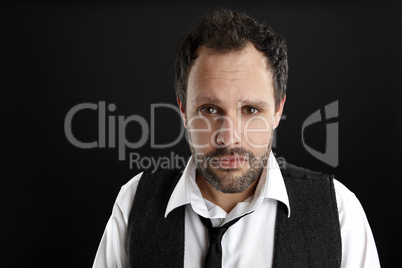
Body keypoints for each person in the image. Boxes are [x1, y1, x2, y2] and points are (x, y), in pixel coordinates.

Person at [93, 8, 380, 268]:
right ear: (183, 109)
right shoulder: (133, 203)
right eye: (208, 109)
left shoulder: (340, 214)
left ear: (278, 109)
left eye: (251, 110)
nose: (229, 137)